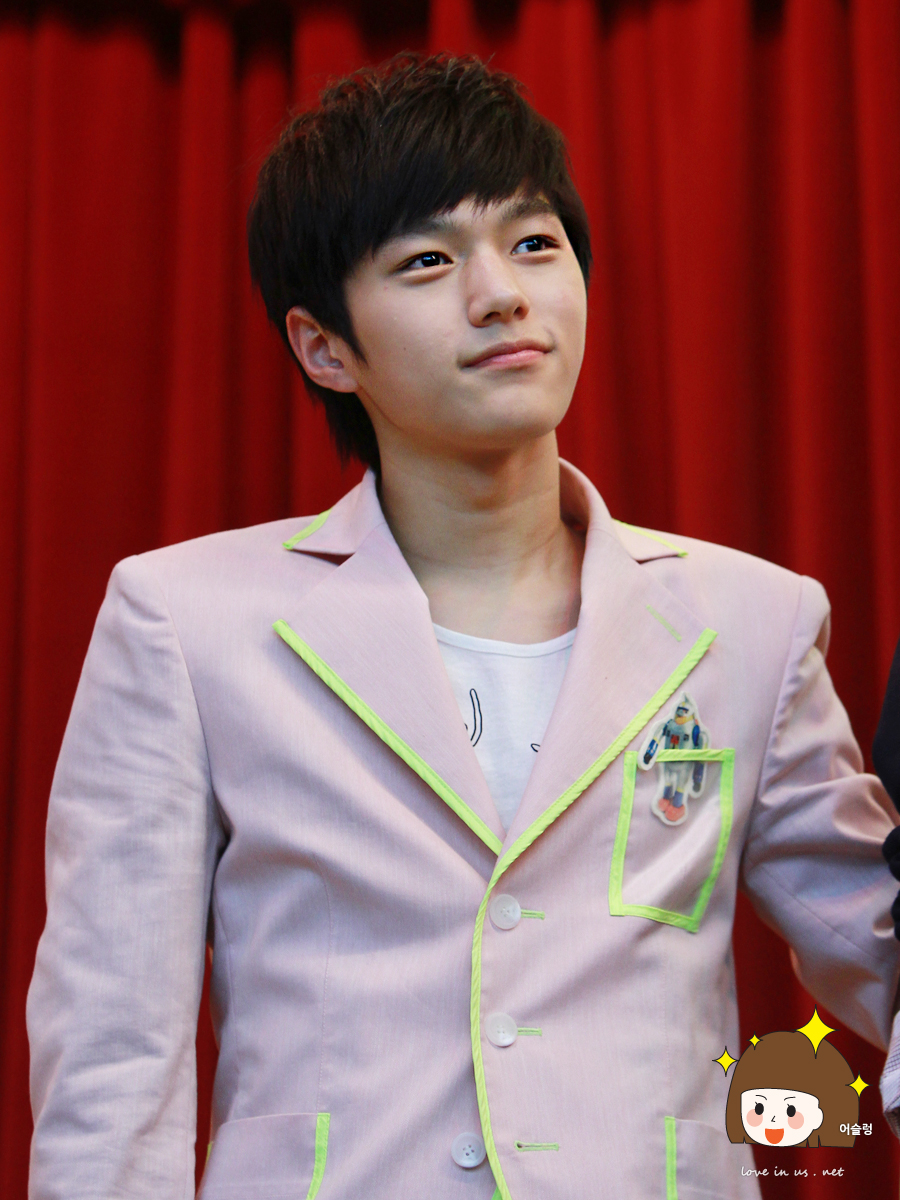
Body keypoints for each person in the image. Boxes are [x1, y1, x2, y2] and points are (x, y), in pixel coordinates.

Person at [26, 52, 900, 1200]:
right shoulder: (187, 624)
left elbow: (876, 944)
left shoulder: (752, 621)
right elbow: (114, 1056)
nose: (501, 294)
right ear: (324, 347)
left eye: (534, 242)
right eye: (428, 262)